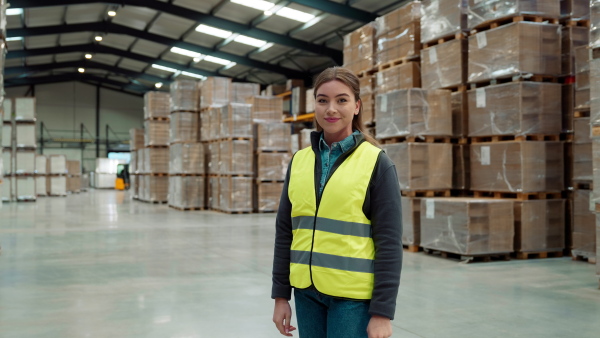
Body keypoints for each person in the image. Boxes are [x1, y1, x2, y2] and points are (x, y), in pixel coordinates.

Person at [271, 67, 403, 338]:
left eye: (341, 100)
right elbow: (285, 232)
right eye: (322, 100)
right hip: (306, 293)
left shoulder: (377, 163)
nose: (331, 109)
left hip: (352, 299)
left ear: (357, 106)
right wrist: (281, 296)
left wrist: (382, 312)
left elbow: (389, 243)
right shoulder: (299, 161)